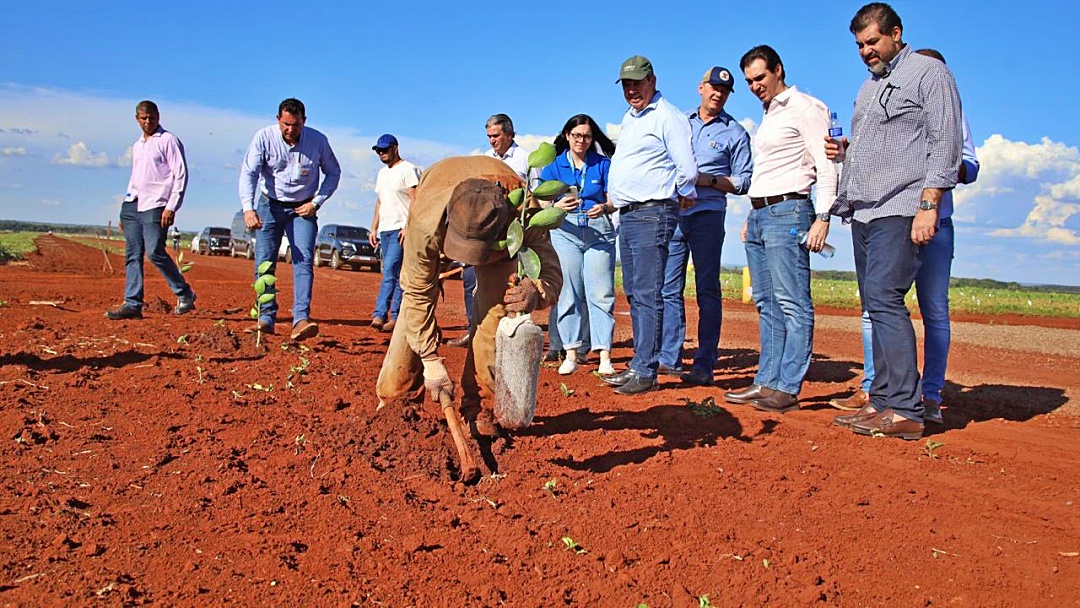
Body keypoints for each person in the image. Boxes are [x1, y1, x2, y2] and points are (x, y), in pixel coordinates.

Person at [828, 3, 963, 440]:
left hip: (901, 205)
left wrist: (929, 204)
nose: (867, 51)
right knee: (874, 302)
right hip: (864, 208)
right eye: (860, 45)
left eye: (873, 41)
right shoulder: (870, 87)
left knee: (886, 297)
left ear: (896, 33)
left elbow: (946, 141)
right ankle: (883, 401)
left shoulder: (928, 73)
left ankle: (907, 407)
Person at [375, 156, 562, 436]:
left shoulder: (525, 214)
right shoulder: (427, 221)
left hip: (502, 243)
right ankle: (397, 397)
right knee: (413, 307)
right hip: (436, 213)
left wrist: (535, 291)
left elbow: (552, 274)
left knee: (496, 309)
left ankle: (479, 407)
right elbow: (416, 293)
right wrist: (430, 360)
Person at [722, 45, 838, 412]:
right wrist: (752, 214)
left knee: (793, 302)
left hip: (790, 212)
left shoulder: (805, 107)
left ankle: (787, 387)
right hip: (761, 214)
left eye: (760, 77)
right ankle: (766, 381)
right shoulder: (770, 113)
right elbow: (770, 169)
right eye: (749, 82)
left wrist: (823, 216)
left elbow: (826, 162)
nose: (755, 86)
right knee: (766, 302)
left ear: (778, 70)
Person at [601, 55, 698, 395]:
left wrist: (684, 193)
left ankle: (646, 370)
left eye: (637, 83)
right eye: (626, 85)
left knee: (648, 293)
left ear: (652, 80)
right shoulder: (631, 118)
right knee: (636, 293)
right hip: (628, 214)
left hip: (652, 213)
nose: (631, 90)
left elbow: (687, 168)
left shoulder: (668, 117)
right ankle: (638, 366)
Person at [659, 66, 753, 386]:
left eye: (724, 91)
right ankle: (669, 359)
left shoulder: (735, 132)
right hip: (674, 214)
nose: (718, 93)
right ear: (700, 87)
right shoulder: (680, 123)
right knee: (669, 289)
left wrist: (707, 180)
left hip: (708, 216)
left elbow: (743, 181)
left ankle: (704, 363)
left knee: (707, 290)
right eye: (713, 87)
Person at [239, 98, 341, 341]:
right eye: (285, 124)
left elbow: (333, 172)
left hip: (303, 208)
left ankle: (301, 319)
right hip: (269, 205)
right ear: (278, 120)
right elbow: (249, 173)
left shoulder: (318, 141)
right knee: (264, 261)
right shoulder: (264, 138)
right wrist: (247, 208)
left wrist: (316, 203)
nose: (290, 130)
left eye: (295, 125)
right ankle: (265, 318)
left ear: (304, 122)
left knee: (303, 260)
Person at [540, 114, 618, 376]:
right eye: (576, 136)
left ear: (592, 138)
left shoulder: (603, 164)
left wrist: (604, 207)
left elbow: (614, 199)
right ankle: (571, 353)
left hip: (599, 230)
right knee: (568, 292)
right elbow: (541, 202)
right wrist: (556, 205)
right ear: (566, 136)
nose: (581, 141)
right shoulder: (553, 167)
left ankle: (604, 355)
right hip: (565, 230)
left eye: (586, 136)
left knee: (601, 293)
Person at [106, 100, 196, 320]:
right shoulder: (138, 145)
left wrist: (171, 206)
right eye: (143, 118)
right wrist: (125, 207)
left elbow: (180, 175)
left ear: (158, 116)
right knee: (132, 254)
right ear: (137, 119)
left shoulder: (168, 141)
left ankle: (184, 293)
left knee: (155, 251)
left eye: (152, 118)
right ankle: (132, 303)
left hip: (157, 204)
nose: (148, 122)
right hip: (133, 203)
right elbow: (135, 178)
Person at [368, 133, 422, 334]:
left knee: (391, 271)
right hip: (385, 229)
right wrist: (373, 228)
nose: (381, 153)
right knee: (394, 272)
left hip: (402, 229)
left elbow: (415, 200)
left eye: (385, 149)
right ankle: (395, 317)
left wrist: (409, 226)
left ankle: (381, 314)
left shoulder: (408, 170)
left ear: (395, 148)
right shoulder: (382, 174)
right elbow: (380, 202)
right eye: (378, 151)